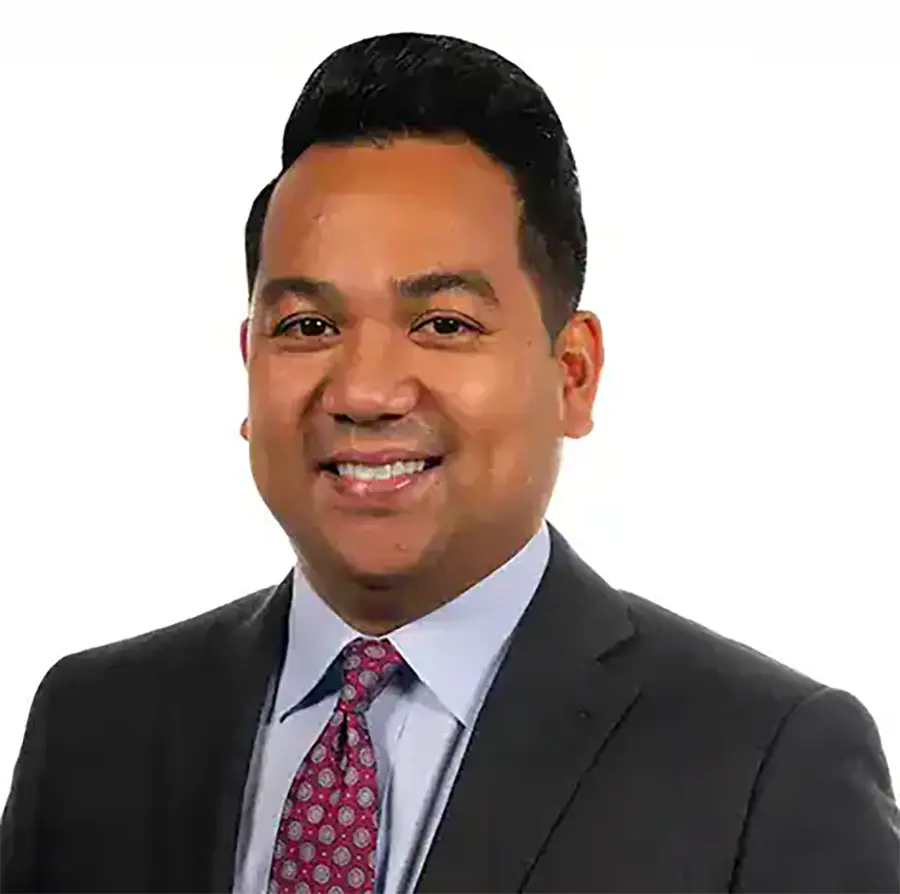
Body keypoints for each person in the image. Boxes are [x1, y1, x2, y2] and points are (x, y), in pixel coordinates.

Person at [1, 30, 898, 894]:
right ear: (250, 369)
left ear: (572, 375)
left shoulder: (766, 764)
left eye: (444, 324)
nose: (365, 389)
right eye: (308, 327)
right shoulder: (93, 729)